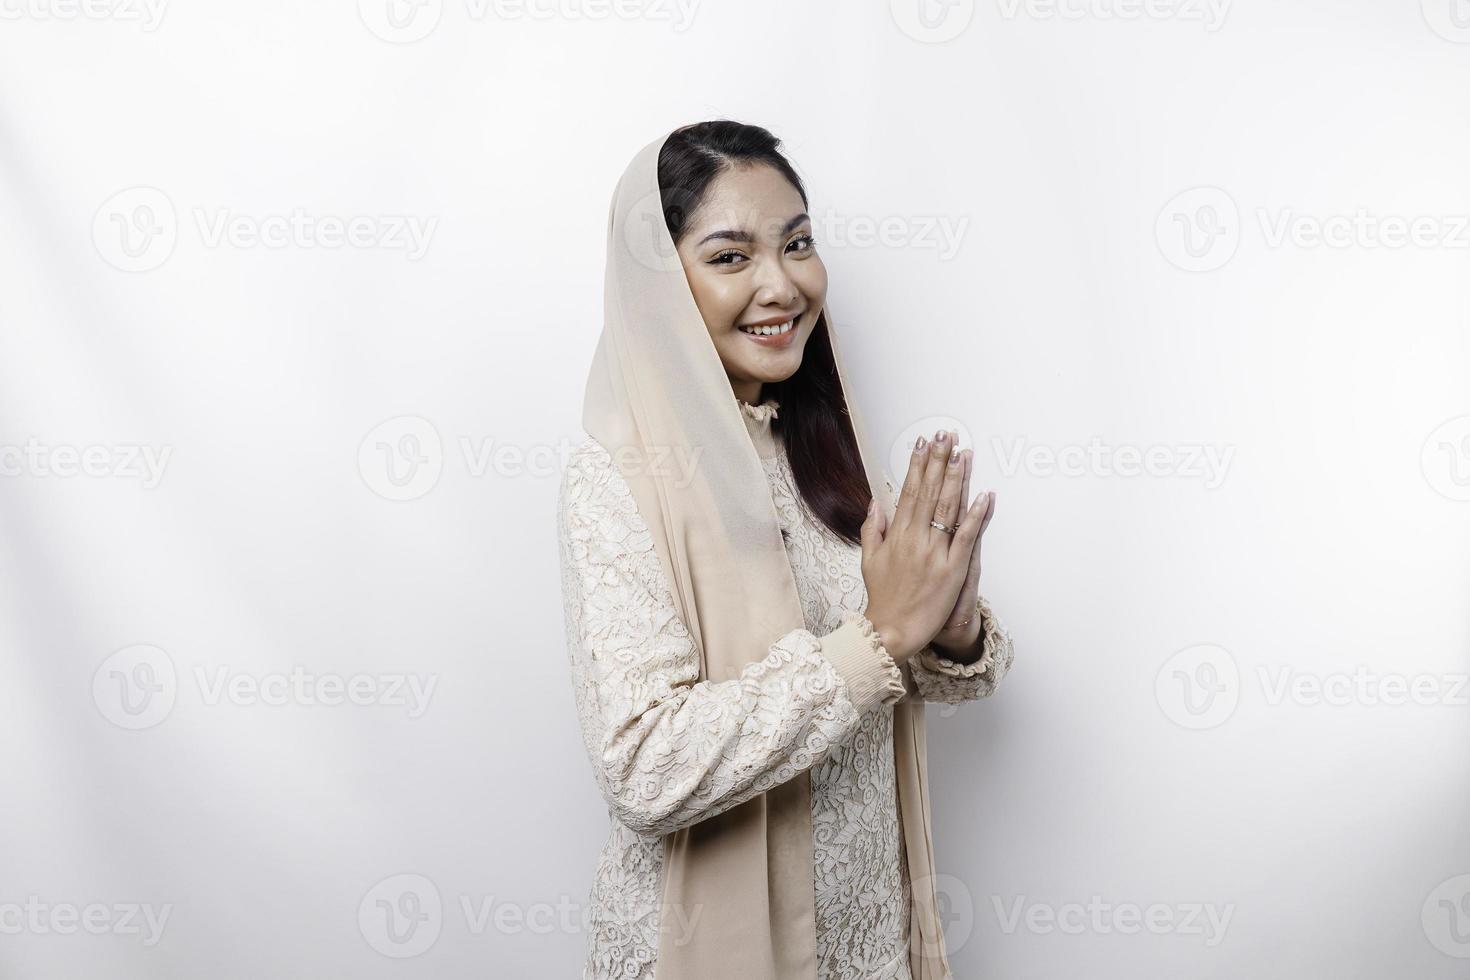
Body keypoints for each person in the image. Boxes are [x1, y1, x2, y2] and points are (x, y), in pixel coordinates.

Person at [557, 120, 1015, 980]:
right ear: (659, 285)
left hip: (864, 936)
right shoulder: (617, 478)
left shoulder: (822, 450)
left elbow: (914, 664)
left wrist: (947, 629)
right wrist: (877, 636)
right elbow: (643, 767)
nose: (781, 284)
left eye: (797, 243)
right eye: (731, 257)